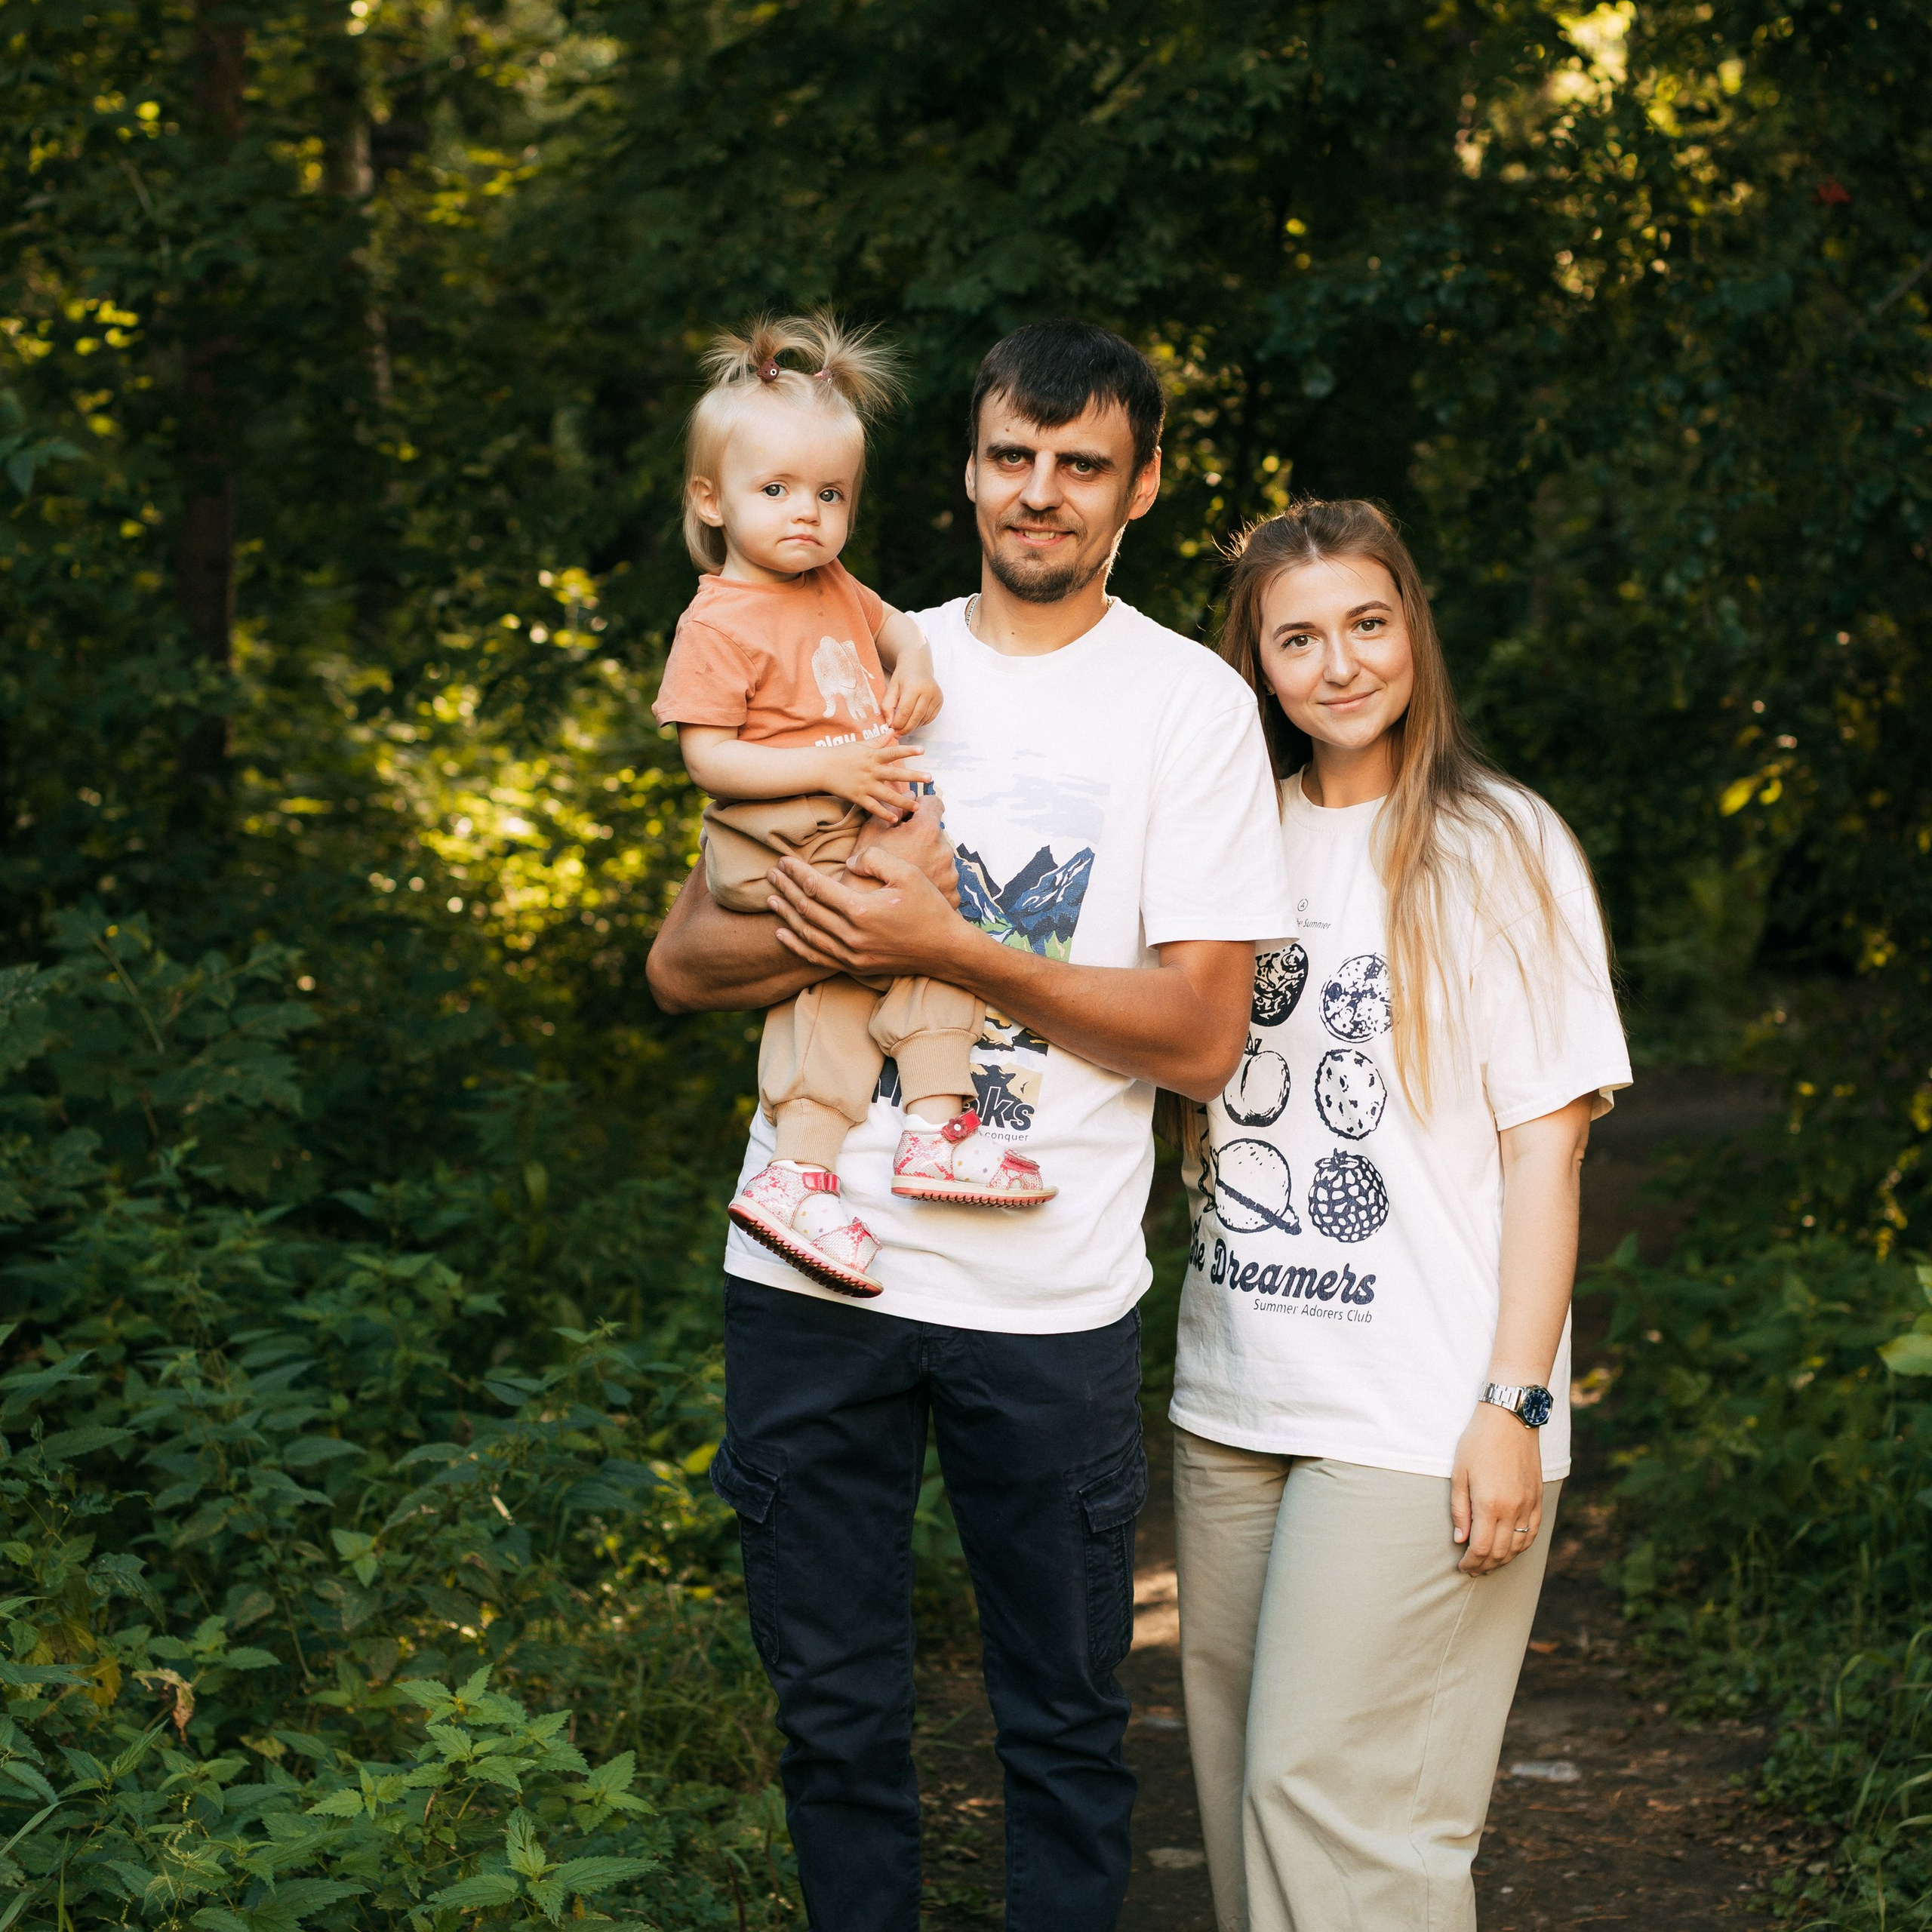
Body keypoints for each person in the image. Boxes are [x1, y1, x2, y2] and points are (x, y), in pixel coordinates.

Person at [646, 320, 1295, 1931]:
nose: (1039, 491)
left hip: (1046, 1300)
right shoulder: (853, 646)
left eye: (1081, 464)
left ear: (1141, 485)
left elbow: (1204, 1036)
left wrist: (950, 947)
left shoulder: (1191, 707)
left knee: (1063, 1728)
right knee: (836, 1720)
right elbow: (683, 962)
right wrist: (845, 930)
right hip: (810, 1274)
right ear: (968, 468)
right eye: (1013, 455)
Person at [1165, 500, 1631, 1932]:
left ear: (1412, 629)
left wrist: (1515, 1404)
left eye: (1368, 623)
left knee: (1337, 1810)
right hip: (1234, 1397)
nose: (1340, 664)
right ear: (1256, 661)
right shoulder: (1225, 841)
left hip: (1423, 1407)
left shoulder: (1502, 843)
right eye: (1298, 638)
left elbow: (1548, 1151)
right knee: (1245, 1811)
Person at [654, 312, 1054, 1304]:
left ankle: (853, 1153)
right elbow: (707, 758)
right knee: (900, 940)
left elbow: (898, 631)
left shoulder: (831, 583)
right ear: (710, 498)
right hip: (778, 833)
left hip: (845, 818)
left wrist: (915, 664)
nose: (807, 514)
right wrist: (831, 772)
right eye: (777, 490)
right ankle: (894, 1138)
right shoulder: (718, 620)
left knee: (895, 955)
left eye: (830, 495)